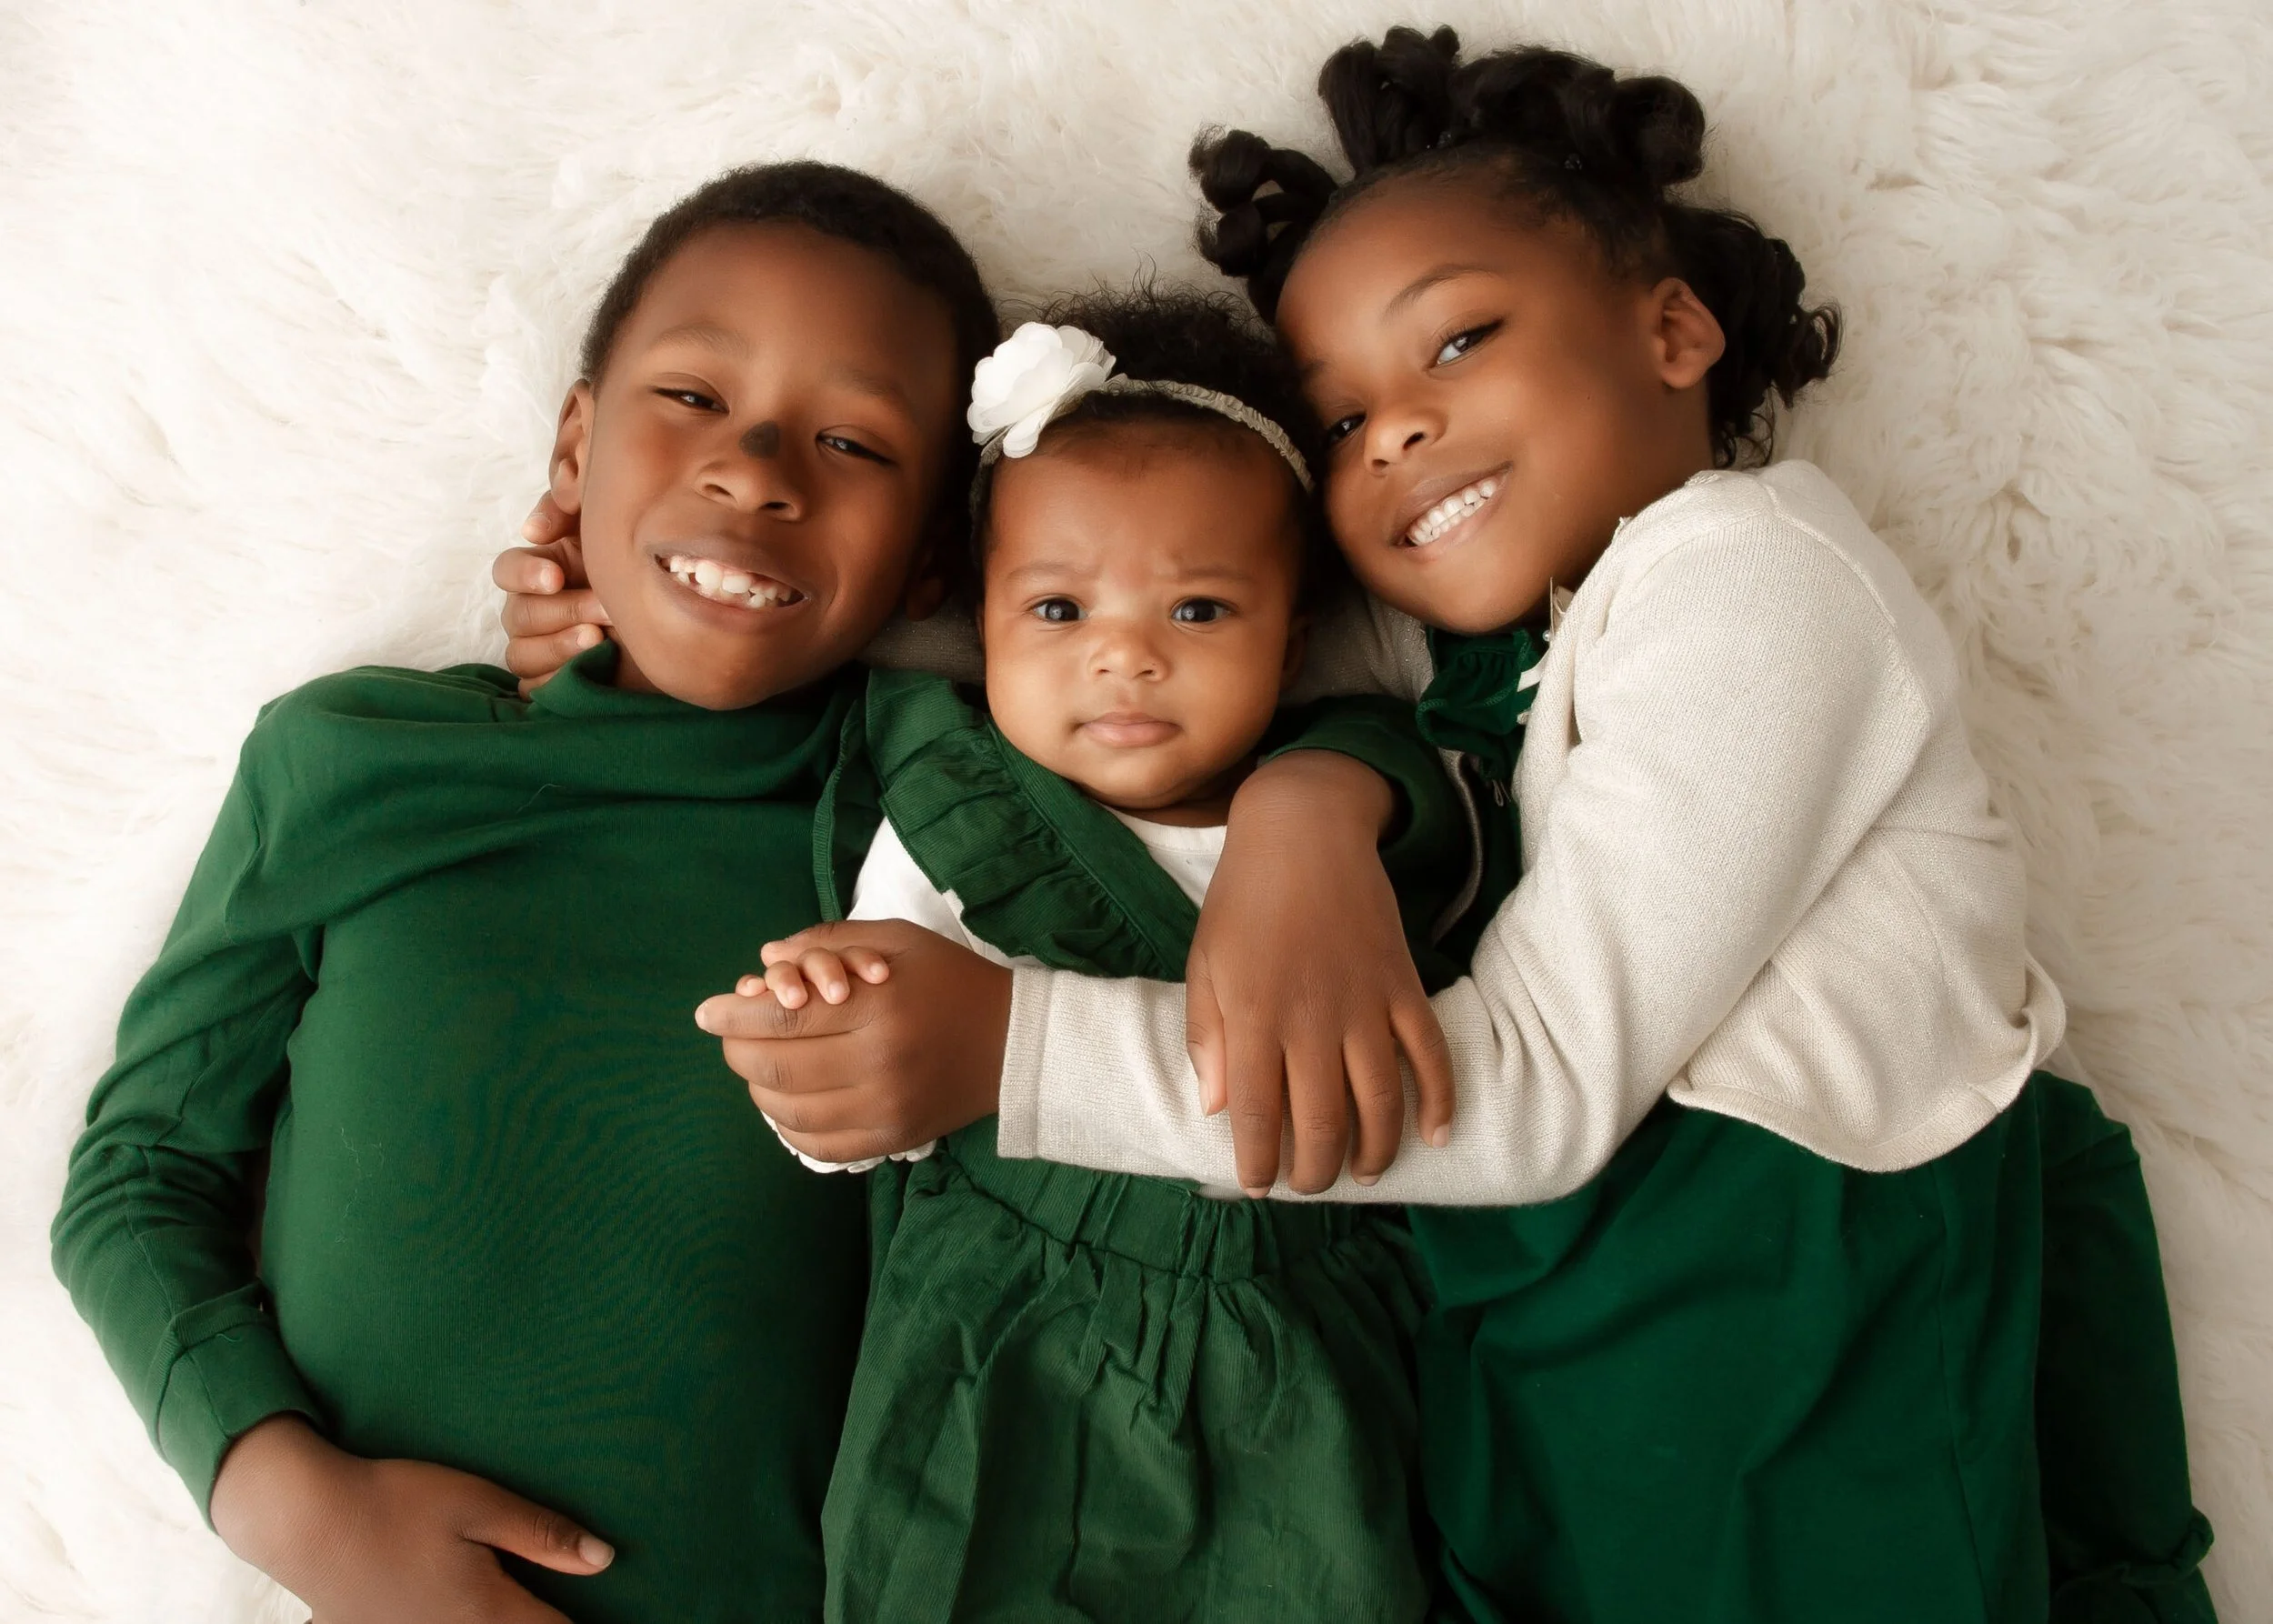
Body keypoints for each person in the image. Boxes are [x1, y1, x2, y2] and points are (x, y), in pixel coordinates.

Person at [716, 30, 2218, 1623]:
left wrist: (1013, 1050)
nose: (1395, 434)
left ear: (1673, 329)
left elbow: (1534, 1090)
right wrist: (667, 589)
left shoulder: (1754, 576)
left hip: (1802, 1384)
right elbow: (1122, 604)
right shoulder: (1504, 644)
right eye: (1341, 422)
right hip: (1551, 1415)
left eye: (1457, 341)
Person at [50, 160, 996, 1623]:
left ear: (937, 551)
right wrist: (298, 1508)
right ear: (576, 443)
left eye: (853, 440)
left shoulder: (936, 800)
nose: (757, 468)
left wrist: (1321, 806)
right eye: (692, 395)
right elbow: (138, 1176)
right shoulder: (354, 760)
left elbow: (1206, 689)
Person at [759, 287, 1466, 1621]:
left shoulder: (1361, 810)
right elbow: (861, 1098)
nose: (1125, 656)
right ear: (981, 628)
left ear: (1292, 643)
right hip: (1003, 1333)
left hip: (1303, 1345)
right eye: (1058, 609)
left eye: (1197, 612)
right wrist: (811, 1033)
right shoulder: (962, 824)